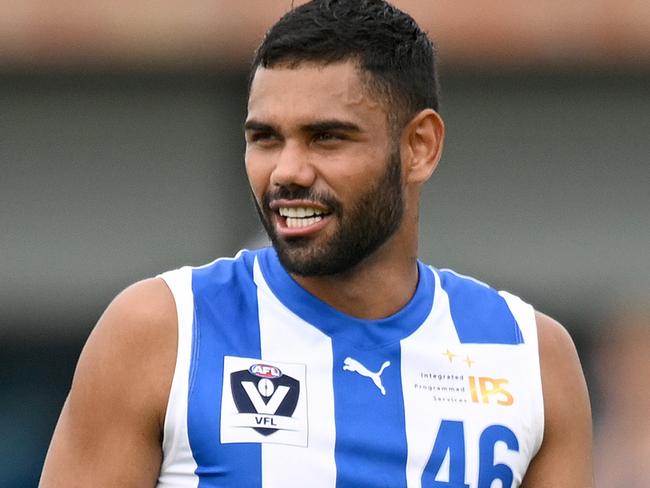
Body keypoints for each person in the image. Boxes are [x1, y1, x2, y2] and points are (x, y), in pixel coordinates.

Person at [40, 1, 592, 486]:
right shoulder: (162, 330)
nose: (287, 171)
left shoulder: (531, 357)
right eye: (265, 138)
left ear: (420, 146)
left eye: (327, 137)